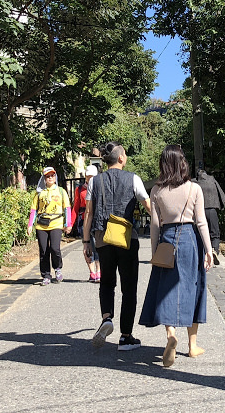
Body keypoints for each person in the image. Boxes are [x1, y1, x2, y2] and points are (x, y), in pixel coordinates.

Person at [140, 144, 213, 367]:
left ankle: (171, 333)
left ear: (163, 164)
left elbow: (154, 225)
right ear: (182, 163)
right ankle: (192, 346)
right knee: (193, 287)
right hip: (190, 239)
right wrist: (209, 250)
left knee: (166, 289)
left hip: (167, 240)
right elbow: (201, 221)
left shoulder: (156, 191)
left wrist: (154, 252)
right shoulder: (194, 189)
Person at [83, 142, 150, 351]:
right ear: (120, 158)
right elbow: (148, 205)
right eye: (125, 154)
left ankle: (107, 318)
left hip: (103, 238)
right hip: (126, 237)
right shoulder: (133, 179)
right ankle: (125, 337)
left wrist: (86, 242)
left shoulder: (95, 181)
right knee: (129, 286)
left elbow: (89, 213)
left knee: (107, 282)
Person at [27, 166, 72, 286]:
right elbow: (33, 210)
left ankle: (57, 269)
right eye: (48, 176)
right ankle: (46, 275)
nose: (50, 178)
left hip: (56, 223)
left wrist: (68, 224)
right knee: (43, 251)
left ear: (55, 177)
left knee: (55, 248)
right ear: (44, 179)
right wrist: (30, 224)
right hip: (42, 225)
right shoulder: (39, 193)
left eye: (52, 175)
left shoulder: (61, 191)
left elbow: (67, 208)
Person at [194, 167, 225, 263]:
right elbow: (221, 194)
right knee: (215, 233)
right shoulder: (212, 179)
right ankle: (214, 250)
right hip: (212, 210)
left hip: (199, 211)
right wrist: (222, 206)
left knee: (200, 232)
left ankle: (202, 251)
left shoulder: (194, 183)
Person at [75, 165, 101, 282]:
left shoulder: (100, 188)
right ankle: (92, 272)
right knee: (87, 244)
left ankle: (99, 270)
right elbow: (75, 207)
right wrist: (69, 223)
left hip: (96, 219)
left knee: (98, 245)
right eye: (88, 176)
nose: (90, 179)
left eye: (92, 177)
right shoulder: (80, 190)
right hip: (83, 219)